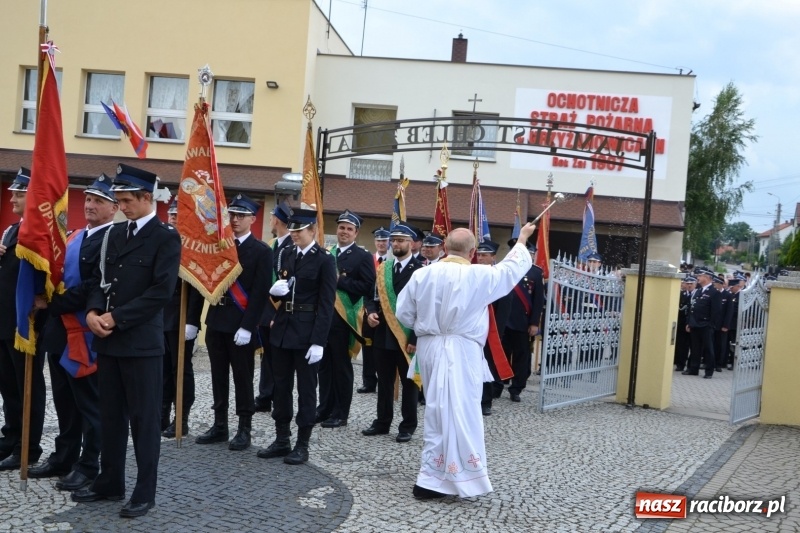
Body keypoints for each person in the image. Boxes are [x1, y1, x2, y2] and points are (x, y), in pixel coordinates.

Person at [397, 223, 537, 499]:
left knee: (438, 411)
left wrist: (428, 328)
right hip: (460, 349)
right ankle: (445, 478)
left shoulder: (422, 275)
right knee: (460, 412)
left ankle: (437, 476)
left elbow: (404, 313)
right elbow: (510, 272)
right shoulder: (478, 275)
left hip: (431, 347)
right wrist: (521, 239)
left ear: (445, 248)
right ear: (473, 252)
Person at [73, 164, 180, 518]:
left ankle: (144, 491)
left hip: (141, 344)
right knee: (110, 416)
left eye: (127, 200)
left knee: (144, 419)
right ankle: (110, 481)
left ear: (147, 198)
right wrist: (91, 312)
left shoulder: (165, 237)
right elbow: (98, 282)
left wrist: (116, 318)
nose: (121, 206)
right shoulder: (114, 234)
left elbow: (160, 292)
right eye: (118, 201)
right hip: (108, 341)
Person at [27, 175, 117, 490]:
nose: (90, 205)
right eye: (89, 200)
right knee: (65, 401)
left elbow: (96, 286)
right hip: (59, 332)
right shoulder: (76, 235)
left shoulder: (113, 240)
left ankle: (89, 464)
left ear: (114, 208)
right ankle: (64, 455)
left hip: (85, 333)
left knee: (89, 405)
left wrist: (51, 303)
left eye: (99, 201)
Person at [257, 207, 336, 465]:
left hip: (306, 330)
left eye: (299, 231)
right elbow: (283, 288)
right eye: (291, 231)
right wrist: (275, 292)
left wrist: (318, 341)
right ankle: (282, 438)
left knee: (306, 389)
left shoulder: (324, 259)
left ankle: (302, 443)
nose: (294, 235)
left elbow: (326, 303)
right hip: (282, 328)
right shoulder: (286, 253)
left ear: (312, 230)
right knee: (280, 386)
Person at [196, 194, 272, 451]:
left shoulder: (261, 251)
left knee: (243, 377)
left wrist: (248, 327)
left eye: (241, 215)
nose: (236, 220)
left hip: (241, 324)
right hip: (217, 319)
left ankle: (244, 428)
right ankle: (220, 425)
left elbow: (261, 293)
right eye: (232, 215)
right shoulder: (219, 246)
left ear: (253, 218)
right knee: (218, 376)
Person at [0, 168, 47, 471]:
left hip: (26, 320)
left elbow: (48, 273)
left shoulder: (39, 231)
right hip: (4, 319)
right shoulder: (11, 230)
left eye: (19, 193)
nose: (12, 197)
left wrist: (42, 299)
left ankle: (28, 446)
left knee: (27, 384)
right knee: (8, 386)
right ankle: (11, 437)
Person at [361, 223, 423, 443]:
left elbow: (423, 308)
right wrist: (369, 312)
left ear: (412, 243)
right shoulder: (383, 268)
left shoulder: (421, 270)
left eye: (401, 240)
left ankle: (407, 426)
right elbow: (371, 297)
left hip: (406, 335)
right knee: (384, 381)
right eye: (394, 241)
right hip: (382, 333)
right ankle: (382, 422)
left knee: (409, 383)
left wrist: (415, 337)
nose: (396, 244)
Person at [317, 210, 376, 428]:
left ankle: (341, 413)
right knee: (324, 366)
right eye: (341, 228)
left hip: (344, 319)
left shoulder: (362, 257)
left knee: (341, 367)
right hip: (323, 318)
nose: (344, 232)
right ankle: (324, 408)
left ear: (356, 233)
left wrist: (339, 281)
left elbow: (368, 286)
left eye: (349, 229)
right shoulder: (328, 253)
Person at [160, 199, 205, 439]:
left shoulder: (193, 246)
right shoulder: (163, 239)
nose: (174, 218)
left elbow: (196, 287)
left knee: (181, 370)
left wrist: (192, 320)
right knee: (162, 368)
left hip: (181, 314)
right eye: (172, 214)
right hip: (161, 314)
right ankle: (162, 413)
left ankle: (182, 417)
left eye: (179, 215)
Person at [254, 201, 294, 413]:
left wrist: (275, 312)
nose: (270, 221)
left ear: (277, 220)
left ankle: (275, 396)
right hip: (266, 309)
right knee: (267, 356)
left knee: (278, 359)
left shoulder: (290, 247)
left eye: (271, 217)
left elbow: (287, 284)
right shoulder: (273, 244)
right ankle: (265, 395)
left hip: (278, 311)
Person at [500, 242, 544, 402]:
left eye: (530, 253)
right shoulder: (504, 268)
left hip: (523, 322)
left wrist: (534, 323)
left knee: (521, 357)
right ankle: (497, 386)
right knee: (501, 355)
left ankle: (516, 388)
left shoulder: (535, 273)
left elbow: (538, 301)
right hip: (503, 321)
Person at [475, 240, 512, 416]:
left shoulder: (499, 276)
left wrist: (498, 331)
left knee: (487, 366)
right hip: (471, 329)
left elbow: (504, 308)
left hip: (490, 330)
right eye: (479, 254)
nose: (481, 258)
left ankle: (485, 401)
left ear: (493, 257)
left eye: (484, 255)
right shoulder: (472, 273)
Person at [357, 226, 391, 394]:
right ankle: (368, 381)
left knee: (384, 348)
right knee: (368, 346)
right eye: (378, 241)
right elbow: (365, 287)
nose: (381, 243)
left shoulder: (392, 261)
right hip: (369, 309)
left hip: (388, 312)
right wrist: (369, 309)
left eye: (384, 240)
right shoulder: (368, 260)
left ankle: (386, 380)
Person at [683, 267, 721, 379]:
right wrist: (689, 322)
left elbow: (716, 311)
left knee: (708, 349)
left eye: (700, 276)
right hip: (695, 324)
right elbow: (692, 308)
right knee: (695, 348)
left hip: (706, 325)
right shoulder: (698, 291)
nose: (698, 278)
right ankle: (694, 369)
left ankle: (709, 371)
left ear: (707, 277)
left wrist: (711, 324)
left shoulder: (714, 292)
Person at [673, 275, 695, 372]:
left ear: (695, 284)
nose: (689, 285)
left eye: (691, 284)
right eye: (687, 283)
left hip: (693, 323)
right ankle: (680, 364)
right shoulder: (680, 294)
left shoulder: (697, 294)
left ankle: (691, 365)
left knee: (693, 346)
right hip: (682, 324)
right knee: (681, 345)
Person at [713, 275, 733, 372]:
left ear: (721, 285)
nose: (714, 285)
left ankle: (718, 364)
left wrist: (726, 325)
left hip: (722, 325)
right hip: (712, 324)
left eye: (716, 284)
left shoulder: (727, 295)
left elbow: (729, 312)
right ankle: (710, 362)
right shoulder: (712, 294)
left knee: (721, 345)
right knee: (711, 344)